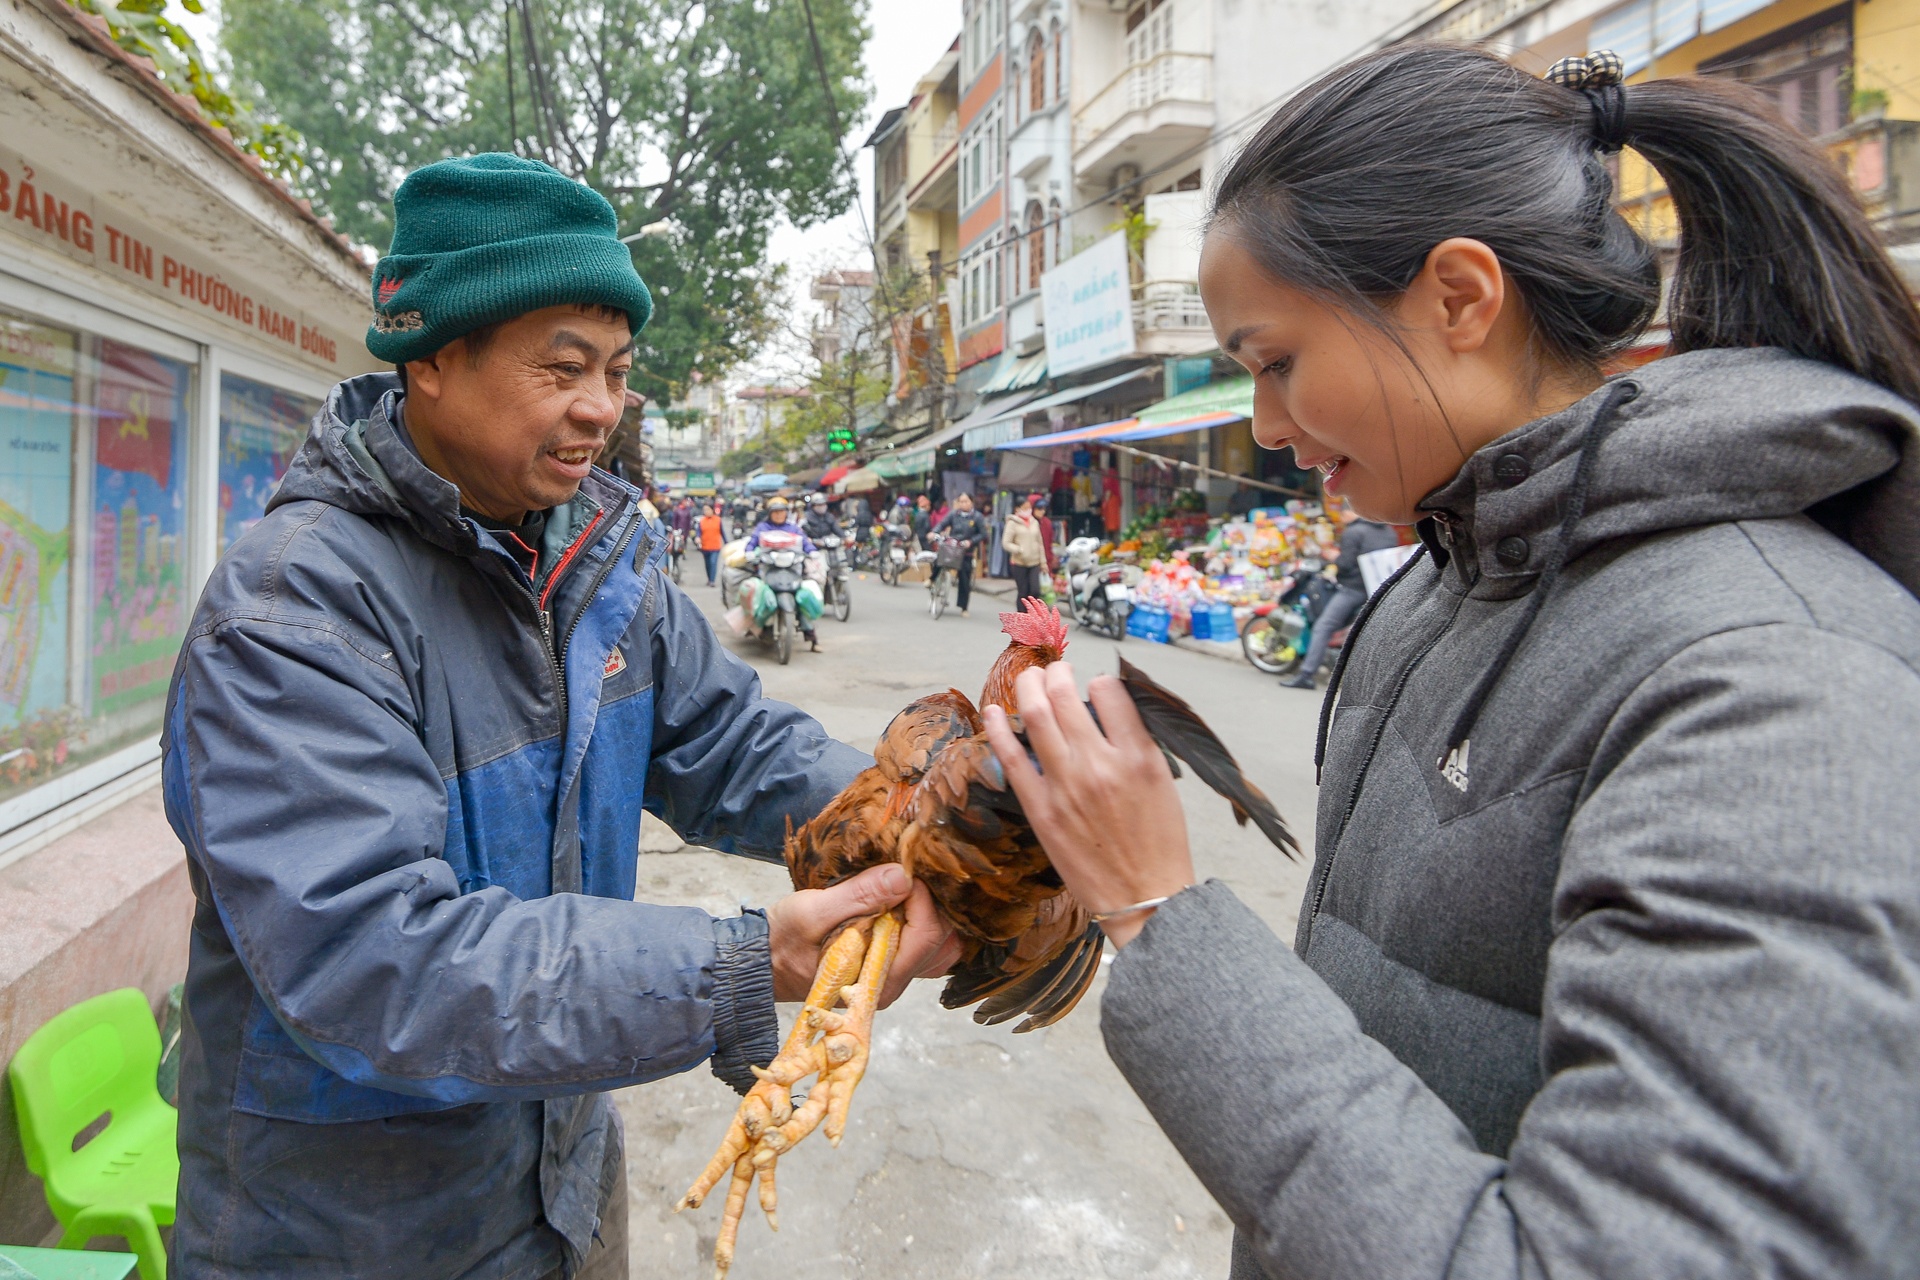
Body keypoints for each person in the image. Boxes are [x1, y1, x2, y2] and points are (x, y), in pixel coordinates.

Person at [981, 45, 1920, 1278]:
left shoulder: (1778, 677)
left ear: (1461, 298)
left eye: (1275, 360)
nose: (1264, 425)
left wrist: (1160, 915)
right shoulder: (1439, 584)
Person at [161, 154, 956, 1280]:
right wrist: (735, 964)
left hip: (563, 1192)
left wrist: (933, 814)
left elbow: (734, 744)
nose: (602, 405)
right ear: (431, 352)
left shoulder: (605, 555)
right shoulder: (295, 606)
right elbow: (375, 956)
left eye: (619, 369)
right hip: (354, 1234)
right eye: (563, 365)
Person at [1279, 513, 1400, 689]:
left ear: (1351, 512)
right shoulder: (1389, 531)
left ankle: (1306, 674)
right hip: (1377, 590)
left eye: (1342, 513)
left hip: (1354, 590)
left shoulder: (1354, 532)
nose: (1340, 517)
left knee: (1323, 626)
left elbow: (1345, 564)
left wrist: (1332, 556)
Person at [745, 496, 822, 651]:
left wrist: (812, 551)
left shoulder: (793, 528)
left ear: (786, 513)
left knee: (803, 598)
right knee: (761, 595)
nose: (779, 515)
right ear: (770, 513)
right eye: (776, 512)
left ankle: (811, 635)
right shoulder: (762, 528)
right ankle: (761, 628)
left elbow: (805, 542)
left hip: (792, 569)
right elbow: (752, 543)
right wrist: (749, 552)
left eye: (782, 512)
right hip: (769, 569)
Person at [931, 490, 990, 616]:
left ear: (971, 502)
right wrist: (934, 532)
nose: (963, 504)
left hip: (965, 551)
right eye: (961, 501)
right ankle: (932, 580)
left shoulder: (977, 517)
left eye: (966, 501)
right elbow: (942, 524)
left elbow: (983, 534)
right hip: (952, 546)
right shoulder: (953, 514)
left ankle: (964, 607)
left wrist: (971, 541)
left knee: (964, 579)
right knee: (939, 558)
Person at [1002, 493, 1047, 611]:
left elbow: (1040, 543)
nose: (1028, 511)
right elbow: (1006, 543)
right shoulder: (1012, 523)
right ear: (1018, 509)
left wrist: (1043, 563)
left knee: (1035, 590)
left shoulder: (1034, 522)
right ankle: (1022, 618)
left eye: (1029, 508)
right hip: (1019, 563)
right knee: (1023, 592)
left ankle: (1032, 615)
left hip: (1034, 562)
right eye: (1025, 508)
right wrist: (1018, 549)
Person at [697, 500, 726, 586]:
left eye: (707, 509)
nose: (706, 511)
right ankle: (709, 578)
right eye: (704, 510)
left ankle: (712, 581)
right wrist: (698, 537)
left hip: (715, 546)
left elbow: (722, 532)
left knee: (713, 563)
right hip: (705, 547)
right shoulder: (702, 521)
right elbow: (699, 532)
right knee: (708, 564)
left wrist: (726, 542)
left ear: (712, 510)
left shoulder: (718, 520)